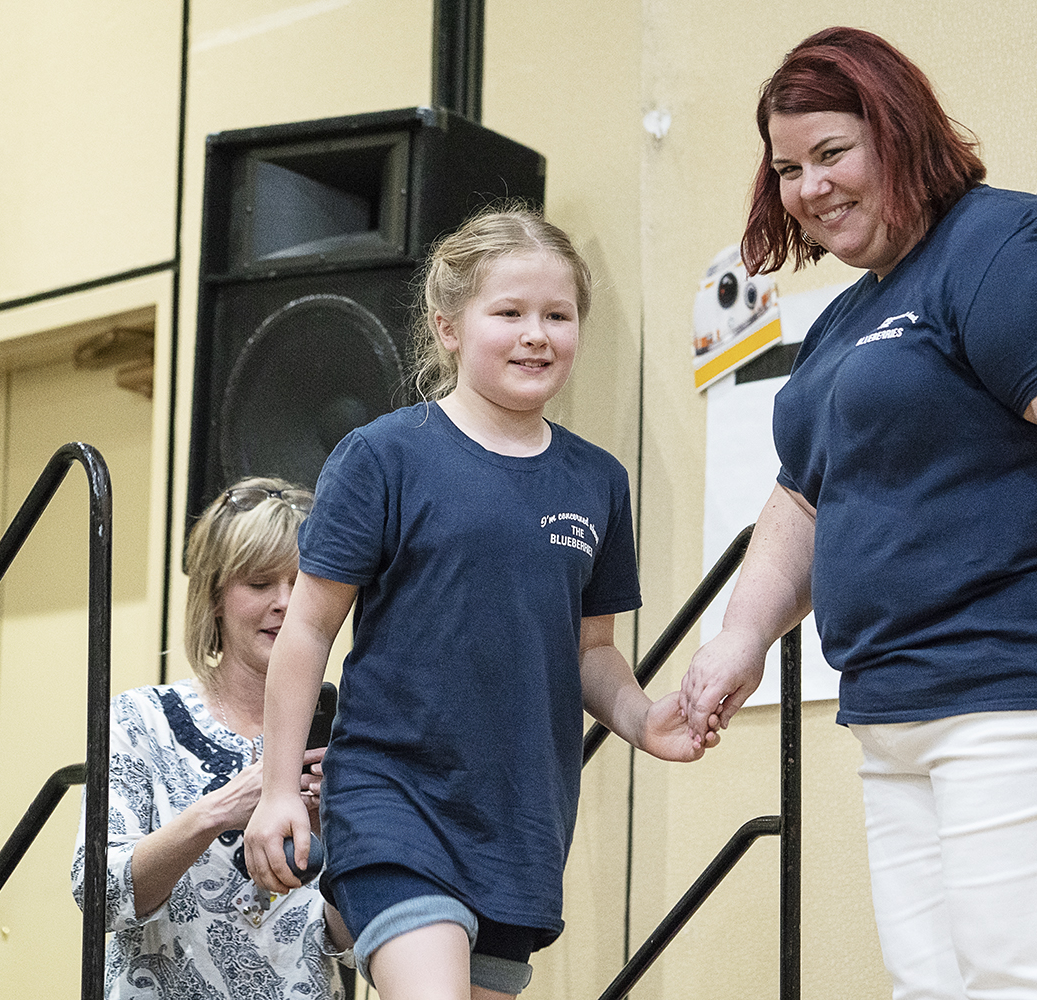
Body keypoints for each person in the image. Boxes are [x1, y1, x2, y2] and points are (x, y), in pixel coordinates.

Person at [680, 26, 1037, 1000]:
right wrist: (737, 639)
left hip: (1032, 685)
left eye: (832, 152)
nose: (809, 187)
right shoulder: (846, 321)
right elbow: (802, 494)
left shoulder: (1010, 244)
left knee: (1035, 982)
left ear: (900, 130)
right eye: (787, 168)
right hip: (903, 706)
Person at [242, 208, 715, 1000]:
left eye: (557, 316)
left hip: (522, 824)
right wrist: (280, 788)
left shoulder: (597, 482)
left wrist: (640, 718)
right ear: (448, 327)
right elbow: (309, 630)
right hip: (396, 805)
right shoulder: (384, 456)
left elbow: (590, 650)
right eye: (510, 313)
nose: (537, 334)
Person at [72, 477, 354, 1000]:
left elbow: (355, 947)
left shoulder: (348, 738)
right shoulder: (141, 721)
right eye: (260, 583)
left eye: (303, 583)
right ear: (215, 596)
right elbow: (98, 895)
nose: (286, 603)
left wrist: (341, 845)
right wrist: (220, 810)